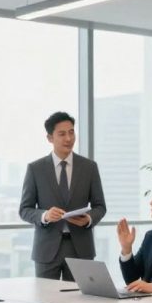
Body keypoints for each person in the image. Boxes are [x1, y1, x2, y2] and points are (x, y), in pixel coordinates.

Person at [19, 111, 106, 280]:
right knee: (45, 302)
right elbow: (25, 209)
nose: (68, 138)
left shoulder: (89, 167)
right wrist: (45, 215)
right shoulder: (35, 169)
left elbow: (100, 206)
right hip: (46, 250)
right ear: (50, 138)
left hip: (81, 248)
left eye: (71, 132)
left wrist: (88, 219)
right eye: (62, 134)